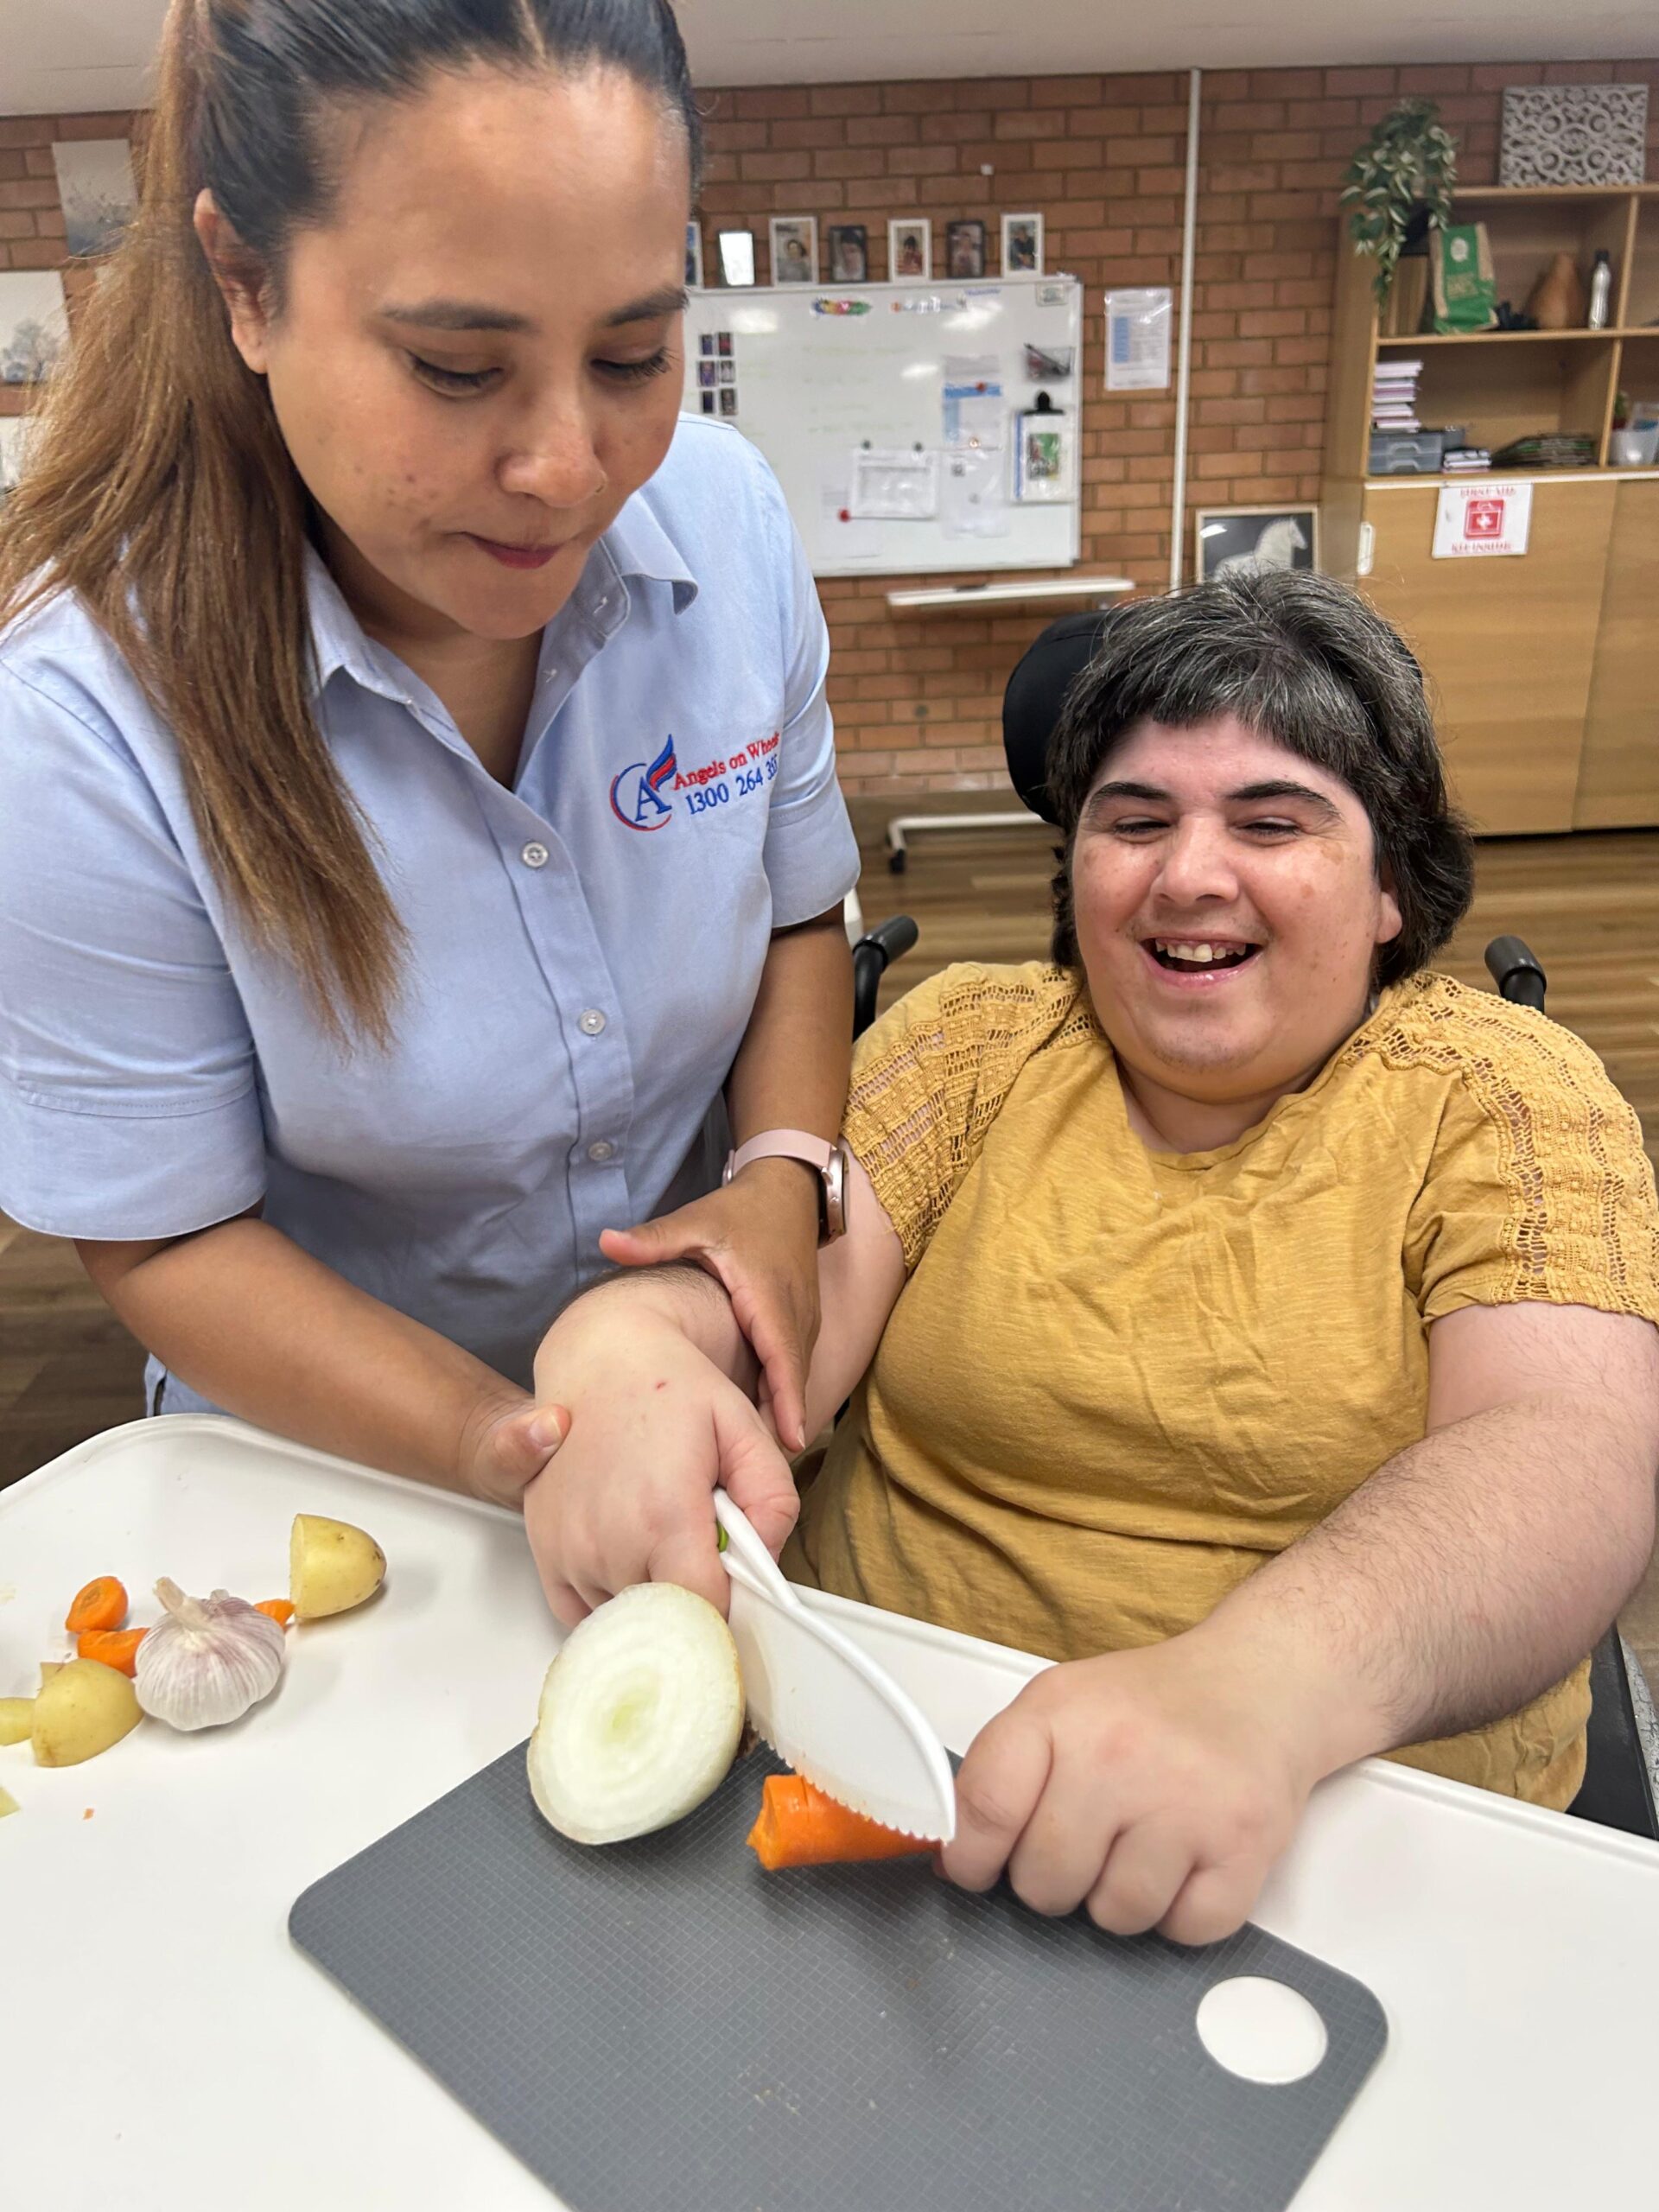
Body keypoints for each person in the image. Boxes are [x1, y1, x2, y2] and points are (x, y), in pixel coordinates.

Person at [525, 571, 1659, 1941]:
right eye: (1135, 821)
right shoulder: (977, 1042)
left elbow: (1569, 1449)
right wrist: (631, 1348)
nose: (1189, 872)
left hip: (1332, 1832)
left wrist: (1261, 1686)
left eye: (1272, 820)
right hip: (876, 1771)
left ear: (1388, 894)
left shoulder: (1498, 1091)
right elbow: (780, 1320)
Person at [0, 0, 859, 1510]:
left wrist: (782, 1181)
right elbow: (163, 1235)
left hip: (692, 1402)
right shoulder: (77, 720)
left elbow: (797, 912)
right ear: (245, 286)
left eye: (635, 353)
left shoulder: (727, 522)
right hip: (331, 1472)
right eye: (460, 369)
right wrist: (509, 1448)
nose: (565, 468)